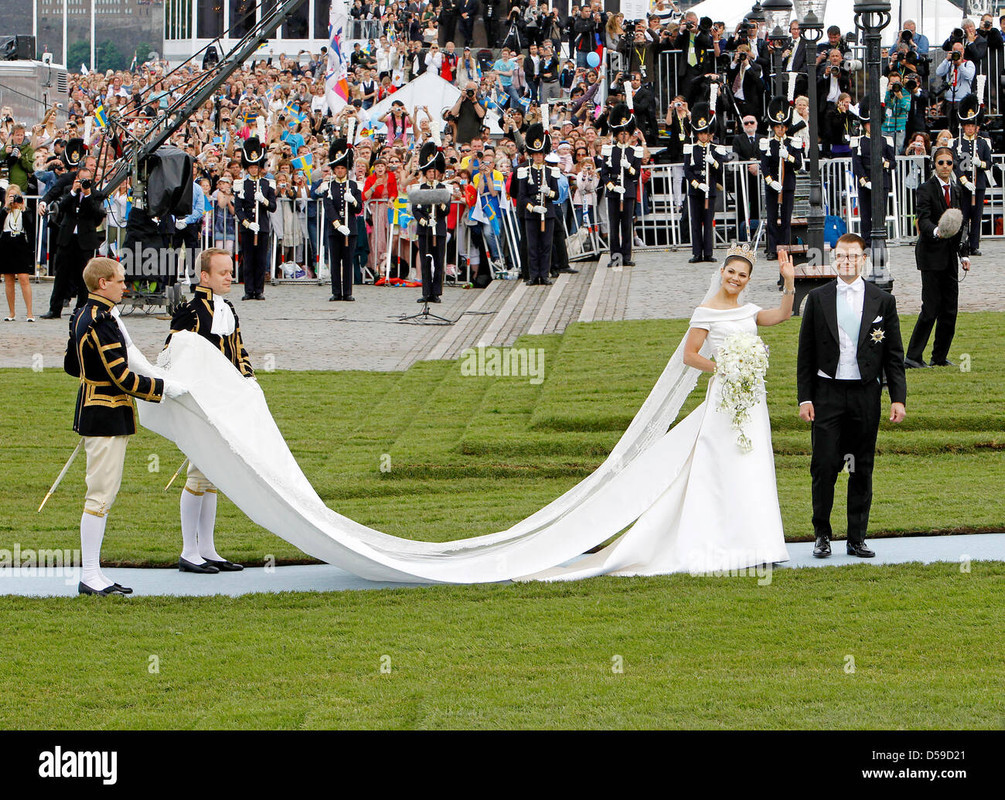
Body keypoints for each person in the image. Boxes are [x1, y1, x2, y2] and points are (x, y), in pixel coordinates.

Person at [529, 244, 795, 579]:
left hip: (753, 400)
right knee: (720, 465)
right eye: (731, 272)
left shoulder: (749, 311)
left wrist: (788, 283)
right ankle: (715, 541)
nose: (736, 279)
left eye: (742, 275)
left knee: (753, 464)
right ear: (722, 273)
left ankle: (759, 544)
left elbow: (783, 315)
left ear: (747, 281)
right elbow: (690, 355)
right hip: (724, 396)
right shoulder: (705, 312)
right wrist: (723, 367)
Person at [64, 257, 183, 595]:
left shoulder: (85, 314)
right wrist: (162, 389)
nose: (124, 286)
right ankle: (89, 575)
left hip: (98, 409)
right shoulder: (100, 320)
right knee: (100, 495)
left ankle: (93, 573)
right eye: (119, 280)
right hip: (104, 413)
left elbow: (72, 365)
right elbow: (121, 377)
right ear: (102, 283)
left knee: (102, 494)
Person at [798, 233, 908, 559]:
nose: (847, 261)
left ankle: (857, 538)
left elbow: (893, 354)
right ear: (834, 258)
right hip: (827, 394)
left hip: (865, 394)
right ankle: (822, 535)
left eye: (853, 256)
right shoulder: (817, 299)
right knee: (824, 465)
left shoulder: (882, 300)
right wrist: (805, 398)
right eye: (841, 256)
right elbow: (805, 354)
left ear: (863, 259)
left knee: (861, 467)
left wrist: (897, 398)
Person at [165, 249, 253, 573]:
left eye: (231, 272)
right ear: (204, 277)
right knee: (199, 473)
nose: (230, 277)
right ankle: (189, 551)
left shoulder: (227, 309)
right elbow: (172, 353)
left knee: (212, 475)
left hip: (225, 400)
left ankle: (207, 548)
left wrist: (248, 378)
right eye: (223, 273)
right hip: (201, 402)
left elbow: (238, 349)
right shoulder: (191, 312)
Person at [905, 146, 972, 369]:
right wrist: (936, 231)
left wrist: (964, 254)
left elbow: (961, 224)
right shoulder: (925, 189)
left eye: (949, 163)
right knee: (930, 308)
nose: (945, 167)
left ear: (954, 165)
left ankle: (939, 357)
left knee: (950, 309)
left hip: (950, 257)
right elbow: (922, 219)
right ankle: (913, 357)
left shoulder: (957, 190)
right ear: (934, 163)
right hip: (930, 255)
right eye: (941, 162)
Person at [40, 164, 105, 318]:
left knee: (84, 277)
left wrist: (87, 194)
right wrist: (73, 192)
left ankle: (81, 309)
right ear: (77, 179)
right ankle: (54, 309)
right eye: (82, 180)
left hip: (85, 240)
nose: (84, 183)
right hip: (67, 238)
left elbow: (95, 214)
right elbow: (61, 207)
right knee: (61, 274)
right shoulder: (68, 190)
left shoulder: (96, 194)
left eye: (88, 180)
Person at [517, 122, 561, 286]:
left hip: (548, 212)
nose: (538, 157)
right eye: (535, 154)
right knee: (533, 246)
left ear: (544, 155)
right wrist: (532, 207)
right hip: (532, 213)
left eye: (540, 154)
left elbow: (556, 194)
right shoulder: (525, 172)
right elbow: (522, 196)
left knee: (546, 246)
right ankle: (534, 275)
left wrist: (548, 192)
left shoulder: (550, 172)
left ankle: (545, 274)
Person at [760, 97, 803, 261]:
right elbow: (764, 166)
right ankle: (772, 248)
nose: (780, 130)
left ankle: (784, 248)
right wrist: (771, 181)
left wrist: (789, 157)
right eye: (777, 127)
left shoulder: (793, 143)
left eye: (783, 127)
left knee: (786, 218)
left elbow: (798, 164)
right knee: (771, 218)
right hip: (773, 185)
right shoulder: (767, 143)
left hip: (788, 185)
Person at [234, 137, 277, 300]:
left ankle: (259, 290)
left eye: (255, 167)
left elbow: (273, 207)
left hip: (263, 226)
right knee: (248, 259)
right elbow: (238, 209)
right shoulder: (240, 185)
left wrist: (263, 200)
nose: (253, 170)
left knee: (260, 260)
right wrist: (247, 223)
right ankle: (248, 290)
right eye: (250, 167)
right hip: (248, 228)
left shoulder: (266, 185)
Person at [601, 104, 642, 267]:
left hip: (628, 190)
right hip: (614, 192)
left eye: (626, 134)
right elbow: (604, 173)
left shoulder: (634, 152)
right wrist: (612, 186)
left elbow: (636, 173)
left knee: (626, 225)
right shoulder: (609, 150)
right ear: (617, 135)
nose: (624, 137)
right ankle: (615, 257)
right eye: (621, 134)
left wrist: (629, 167)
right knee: (614, 226)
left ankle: (626, 256)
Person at [850, 99, 895, 251]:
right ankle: (867, 242)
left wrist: (885, 163)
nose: (870, 126)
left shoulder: (886, 140)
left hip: (882, 179)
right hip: (866, 180)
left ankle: (880, 240)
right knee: (865, 214)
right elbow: (856, 164)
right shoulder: (859, 141)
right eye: (868, 123)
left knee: (880, 213)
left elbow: (893, 162)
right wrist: (864, 180)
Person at [683, 102, 725, 263]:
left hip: (710, 189)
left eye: (705, 134)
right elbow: (687, 170)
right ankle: (696, 253)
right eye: (700, 133)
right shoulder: (691, 148)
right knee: (695, 222)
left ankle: (708, 252)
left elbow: (720, 170)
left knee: (708, 222)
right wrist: (696, 184)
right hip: (696, 190)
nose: (703, 136)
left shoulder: (715, 149)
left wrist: (712, 161)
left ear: (710, 134)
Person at [323, 137, 363, 302]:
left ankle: (347, 292)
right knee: (335, 262)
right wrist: (338, 225)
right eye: (337, 168)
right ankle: (336, 291)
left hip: (350, 228)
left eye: (342, 168)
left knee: (348, 261)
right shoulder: (329, 186)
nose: (340, 171)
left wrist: (352, 200)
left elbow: (358, 208)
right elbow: (328, 207)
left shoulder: (353, 186)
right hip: (335, 229)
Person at [410, 142, 450, 302]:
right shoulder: (420, 189)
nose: (432, 174)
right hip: (425, 229)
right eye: (429, 172)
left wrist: (439, 201)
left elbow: (446, 210)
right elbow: (416, 209)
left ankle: (436, 292)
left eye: (435, 171)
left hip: (438, 228)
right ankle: (426, 292)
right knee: (425, 261)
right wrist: (423, 220)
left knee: (439, 262)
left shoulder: (443, 188)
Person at [953, 94, 992, 256]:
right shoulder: (958, 143)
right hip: (964, 185)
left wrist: (979, 163)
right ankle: (961, 243)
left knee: (976, 217)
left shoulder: (982, 143)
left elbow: (989, 163)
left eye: (972, 126)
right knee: (963, 216)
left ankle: (974, 244)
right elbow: (955, 164)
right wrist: (964, 180)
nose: (969, 128)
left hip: (979, 184)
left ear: (976, 127)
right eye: (967, 126)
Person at [0, 185, 35, 321]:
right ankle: (11, 312)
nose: (13, 199)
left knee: (23, 278)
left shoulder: (24, 211)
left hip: (20, 243)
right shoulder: (3, 211)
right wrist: (6, 208)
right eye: (11, 196)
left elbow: (30, 227)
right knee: (8, 279)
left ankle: (29, 313)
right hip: (6, 243)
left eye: (15, 196)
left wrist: (23, 208)